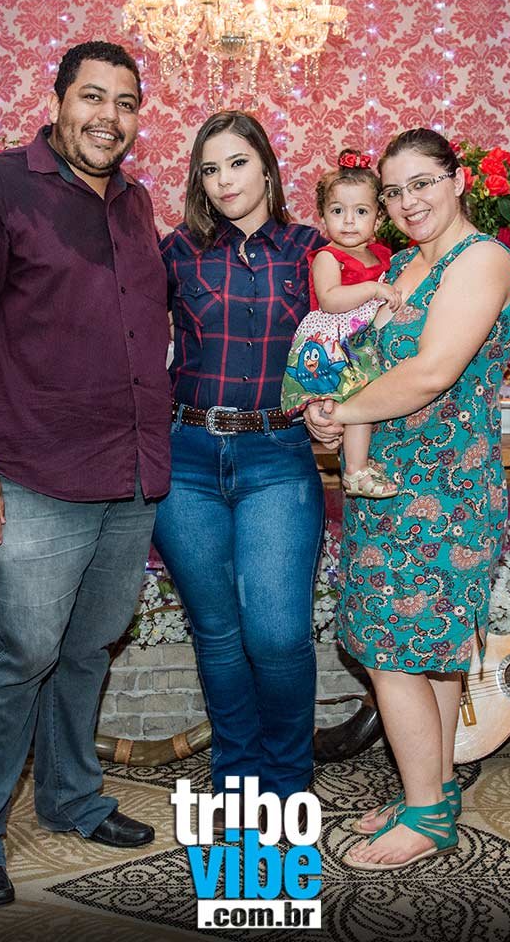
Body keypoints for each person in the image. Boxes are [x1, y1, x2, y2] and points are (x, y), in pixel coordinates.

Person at [0, 40, 171, 908]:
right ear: (57, 101)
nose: (108, 117)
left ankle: (72, 798)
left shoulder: (134, 203)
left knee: (88, 648)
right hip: (30, 469)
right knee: (20, 652)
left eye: (125, 103)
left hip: (128, 471)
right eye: (92, 97)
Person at [304, 128, 510, 871]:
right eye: (393, 191)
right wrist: (327, 407)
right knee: (425, 653)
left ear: (458, 180)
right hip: (382, 485)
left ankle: (427, 817)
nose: (406, 202)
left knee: (396, 654)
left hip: (447, 490)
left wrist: (345, 409)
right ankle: (436, 789)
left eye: (422, 183)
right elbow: (362, 360)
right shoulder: (398, 267)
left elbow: (432, 373)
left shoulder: (482, 260)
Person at [152, 110, 328, 806]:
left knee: (278, 635)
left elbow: (352, 337)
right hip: (187, 458)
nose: (224, 181)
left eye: (237, 163)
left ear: (268, 169)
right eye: (209, 169)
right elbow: (122, 335)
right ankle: (238, 780)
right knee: (219, 634)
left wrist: (338, 407)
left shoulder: (311, 249)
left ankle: (288, 780)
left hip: (277, 455)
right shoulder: (176, 251)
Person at [279, 149, 401, 499]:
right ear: (322, 215)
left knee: (370, 400)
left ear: (378, 217)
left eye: (360, 211)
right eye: (337, 211)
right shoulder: (328, 257)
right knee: (358, 399)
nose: (348, 221)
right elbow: (330, 299)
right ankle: (354, 471)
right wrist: (373, 289)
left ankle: (361, 463)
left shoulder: (383, 255)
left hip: (364, 339)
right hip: (336, 343)